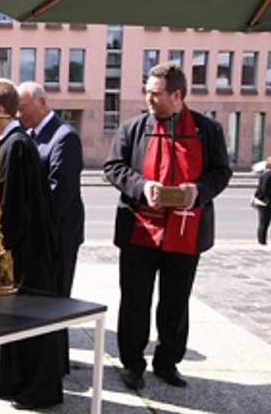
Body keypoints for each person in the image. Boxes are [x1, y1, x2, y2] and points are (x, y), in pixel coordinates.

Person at [104, 63, 231, 391]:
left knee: (175, 301)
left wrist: (197, 191)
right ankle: (132, 363)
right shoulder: (133, 128)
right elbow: (113, 167)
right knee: (135, 300)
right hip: (140, 230)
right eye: (147, 91)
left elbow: (221, 172)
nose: (148, 98)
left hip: (187, 231)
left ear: (177, 95)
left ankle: (167, 362)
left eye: (155, 93)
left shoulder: (207, 130)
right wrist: (142, 186)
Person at [0, 79, 64, 409]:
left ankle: (39, 389)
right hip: (21, 244)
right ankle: (7, 380)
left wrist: (5, 246)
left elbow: (15, 205)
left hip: (27, 249)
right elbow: (6, 193)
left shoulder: (16, 145)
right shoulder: (10, 142)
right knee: (9, 319)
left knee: (31, 321)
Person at [17, 81, 85, 373]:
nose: (18, 114)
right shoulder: (30, 134)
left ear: (42, 103)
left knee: (55, 300)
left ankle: (55, 367)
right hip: (40, 234)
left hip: (58, 236)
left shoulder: (64, 137)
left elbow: (59, 193)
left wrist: (23, 214)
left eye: (22, 107)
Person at [250, 157, 271, 245]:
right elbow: (264, 189)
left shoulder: (263, 175)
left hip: (263, 202)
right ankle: (262, 241)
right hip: (267, 202)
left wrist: (256, 197)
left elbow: (260, 189)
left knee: (263, 223)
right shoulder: (268, 175)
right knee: (264, 223)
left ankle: (262, 241)